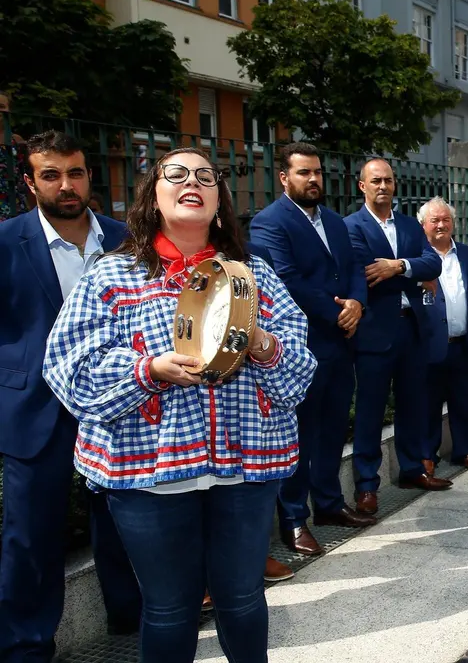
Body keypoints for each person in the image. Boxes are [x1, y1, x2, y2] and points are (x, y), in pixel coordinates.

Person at [43, 147, 317, 663]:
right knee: (170, 608)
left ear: (219, 200)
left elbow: (300, 372)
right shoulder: (113, 275)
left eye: (205, 177)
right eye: (176, 174)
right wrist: (147, 371)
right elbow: (66, 368)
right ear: (154, 194)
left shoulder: (252, 273)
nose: (192, 182)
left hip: (246, 468)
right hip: (150, 472)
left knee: (242, 598)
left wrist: (259, 343)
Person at [0, 130, 141, 660]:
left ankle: (133, 619)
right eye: (51, 175)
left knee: (123, 522)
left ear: (88, 175)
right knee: (31, 538)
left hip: (113, 403)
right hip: (34, 409)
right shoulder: (6, 241)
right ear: (30, 181)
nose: (66, 185)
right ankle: (25, 647)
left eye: (75, 173)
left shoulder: (123, 239)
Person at [250, 142, 375, 559]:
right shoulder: (269, 223)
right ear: (284, 178)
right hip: (300, 349)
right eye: (304, 173)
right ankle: (293, 520)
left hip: (341, 344)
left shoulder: (336, 222)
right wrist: (336, 313)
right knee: (298, 436)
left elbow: (355, 267)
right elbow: (285, 280)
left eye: (318, 172)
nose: (314, 179)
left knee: (333, 430)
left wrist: (357, 303)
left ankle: (329, 505)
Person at [345, 158, 446, 514]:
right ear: (363, 186)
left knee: (412, 404)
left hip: (412, 326)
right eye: (376, 181)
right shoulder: (351, 227)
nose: (383, 186)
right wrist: (408, 267)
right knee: (371, 411)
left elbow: (433, 263)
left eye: (388, 180)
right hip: (374, 331)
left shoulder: (408, 224)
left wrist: (398, 266)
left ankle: (412, 468)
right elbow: (364, 269)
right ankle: (367, 486)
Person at [418, 197, 468, 471]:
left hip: (463, 343)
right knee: (428, 403)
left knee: (464, 400)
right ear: (423, 225)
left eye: (446, 219)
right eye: (434, 220)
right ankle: (427, 455)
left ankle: (465, 450)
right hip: (430, 343)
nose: (441, 225)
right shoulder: (417, 257)